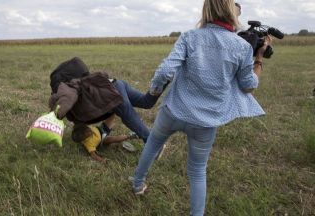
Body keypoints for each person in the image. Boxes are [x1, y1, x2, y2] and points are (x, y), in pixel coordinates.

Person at [132, 0, 272, 215]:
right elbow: (249, 86)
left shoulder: (190, 36)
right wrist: (259, 57)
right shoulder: (242, 47)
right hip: (206, 122)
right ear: (231, 13)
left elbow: (165, 71)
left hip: (173, 111)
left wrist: (154, 91)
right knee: (197, 171)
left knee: (152, 145)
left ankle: (137, 184)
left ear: (206, 10)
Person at [71, 114, 138, 163]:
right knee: (113, 139)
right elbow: (93, 155)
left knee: (111, 115)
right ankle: (130, 136)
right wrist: (101, 160)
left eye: (88, 128)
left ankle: (114, 109)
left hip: (102, 128)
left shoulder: (83, 128)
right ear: (84, 138)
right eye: (88, 132)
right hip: (103, 140)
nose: (90, 130)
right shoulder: (89, 144)